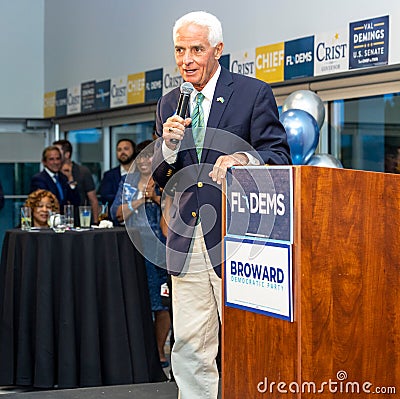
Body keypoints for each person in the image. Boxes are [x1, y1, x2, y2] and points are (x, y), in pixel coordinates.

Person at [151, 11, 292, 398]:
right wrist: (167, 147)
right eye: (180, 50)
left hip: (241, 237)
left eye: (196, 49)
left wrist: (242, 160)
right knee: (191, 342)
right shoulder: (168, 104)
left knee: (247, 338)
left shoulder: (252, 93)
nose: (187, 59)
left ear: (218, 50)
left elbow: (278, 155)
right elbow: (161, 178)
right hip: (186, 239)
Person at [110, 140, 171, 368]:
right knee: (139, 301)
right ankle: (139, 351)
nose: (145, 161)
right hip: (134, 249)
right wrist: (141, 199)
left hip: (161, 250)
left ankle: (159, 351)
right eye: (141, 157)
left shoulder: (166, 183)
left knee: (163, 302)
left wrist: (155, 196)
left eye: (149, 157)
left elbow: (174, 213)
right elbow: (117, 213)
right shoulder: (128, 182)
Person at [53, 139, 99, 222]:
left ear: (67, 154)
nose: (54, 154)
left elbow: (93, 199)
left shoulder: (82, 171)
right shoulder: (54, 173)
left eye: (57, 151)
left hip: (80, 219)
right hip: (58, 220)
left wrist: (96, 222)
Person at [100, 138, 136, 210]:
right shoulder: (109, 175)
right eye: (119, 150)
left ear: (134, 150)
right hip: (115, 218)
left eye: (126, 149)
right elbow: (105, 197)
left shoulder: (141, 173)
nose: (122, 152)